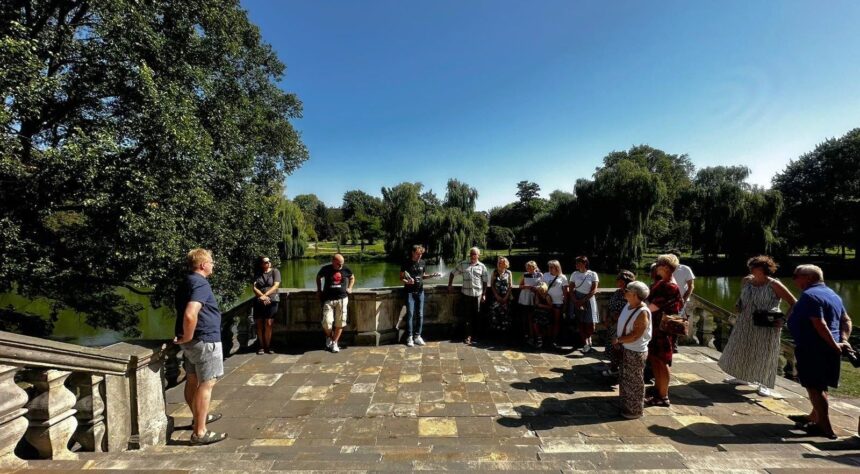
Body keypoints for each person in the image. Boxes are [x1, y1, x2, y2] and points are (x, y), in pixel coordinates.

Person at [787, 264, 852, 439]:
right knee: (819, 385)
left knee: (815, 387)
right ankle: (814, 416)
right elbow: (846, 320)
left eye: (796, 275)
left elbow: (820, 324)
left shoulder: (809, 295)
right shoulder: (833, 294)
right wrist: (842, 341)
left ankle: (825, 426)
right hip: (829, 348)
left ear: (808, 277)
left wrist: (833, 343)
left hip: (813, 348)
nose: (794, 279)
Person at [718, 256, 796, 397]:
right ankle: (742, 377)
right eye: (751, 266)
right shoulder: (747, 281)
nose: (751, 269)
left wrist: (784, 320)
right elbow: (741, 299)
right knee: (742, 349)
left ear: (764, 269)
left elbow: (794, 303)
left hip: (766, 324)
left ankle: (764, 383)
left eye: (754, 267)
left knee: (764, 353)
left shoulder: (774, 284)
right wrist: (738, 305)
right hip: (745, 322)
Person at [173, 248, 227, 445]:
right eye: (211, 262)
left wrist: (184, 336)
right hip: (205, 340)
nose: (213, 265)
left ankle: (198, 418)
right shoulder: (200, 283)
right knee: (207, 384)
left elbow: (181, 312)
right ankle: (200, 432)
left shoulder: (186, 282)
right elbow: (190, 313)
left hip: (192, 342)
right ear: (203, 265)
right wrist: (187, 335)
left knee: (192, 380)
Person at [645, 254, 683, 407]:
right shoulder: (664, 282)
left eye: (659, 264)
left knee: (662, 360)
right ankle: (657, 389)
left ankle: (663, 396)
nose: (656, 265)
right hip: (657, 327)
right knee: (655, 358)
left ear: (666, 267)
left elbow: (653, 307)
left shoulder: (668, 286)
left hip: (662, 329)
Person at [612, 281, 652, 419]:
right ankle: (626, 407)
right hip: (626, 349)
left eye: (627, 290)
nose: (625, 292)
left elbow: (636, 335)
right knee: (625, 379)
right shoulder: (629, 305)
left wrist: (619, 340)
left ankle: (634, 411)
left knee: (634, 382)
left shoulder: (642, 312)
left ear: (635, 295)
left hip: (635, 351)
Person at [448, 247, 490, 345]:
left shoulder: (482, 266)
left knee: (478, 316)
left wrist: (484, 294)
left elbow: (485, 281)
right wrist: (450, 285)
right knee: (467, 316)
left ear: (478, 255)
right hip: (466, 295)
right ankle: (468, 336)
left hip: (477, 295)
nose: (473, 256)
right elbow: (452, 273)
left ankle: (477, 335)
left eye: (475, 254)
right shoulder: (463, 264)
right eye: (471, 254)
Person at [400, 245, 440, 347]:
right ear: (413, 253)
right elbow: (401, 278)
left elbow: (423, 275)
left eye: (421, 254)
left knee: (420, 314)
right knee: (410, 315)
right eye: (418, 253)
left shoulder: (422, 262)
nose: (420, 255)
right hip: (409, 292)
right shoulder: (406, 262)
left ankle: (417, 336)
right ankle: (409, 337)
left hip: (420, 291)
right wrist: (407, 281)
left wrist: (431, 275)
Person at [316, 254, 355, 353]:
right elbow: (318, 277)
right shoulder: (326, 269)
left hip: (342, 299)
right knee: (326, 323)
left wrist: (350, 287)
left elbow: (352, 277)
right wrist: (319, 290)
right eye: (339, 264)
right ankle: (329, 336)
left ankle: (334, 342)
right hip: (328, 299)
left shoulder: (346, 269)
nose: (341, 266)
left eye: (342, 264)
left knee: (340, 322)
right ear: (333, 261)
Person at [604, 270, 636, 377]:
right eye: (618, 279)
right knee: (612, 344)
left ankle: (616, 369)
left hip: (622, 324)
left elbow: (631, 308)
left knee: (618, 346)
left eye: (621, 280)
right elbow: (609, 305)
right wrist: (607, 317)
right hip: (612, 323)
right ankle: (614, 366)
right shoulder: (617, 292)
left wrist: (617, 317)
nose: (618, 281)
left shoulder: (631, 293)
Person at [252, 256, 281, 355]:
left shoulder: (275, 272)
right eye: (265, 262)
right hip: (259, 300)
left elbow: (276, 285)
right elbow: (254, 287)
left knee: (268, 323)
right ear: (261, 264)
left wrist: (266, 295)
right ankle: (261, 346)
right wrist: (262, 296)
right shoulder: (257, 273)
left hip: (272, 299)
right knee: (259, 324)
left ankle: (268, 346)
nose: (268, 263)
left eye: (269, 261)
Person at [570, 256, 599, 354]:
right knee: (580, 322)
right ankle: (586, 343)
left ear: (584, 263)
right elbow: (571, 289)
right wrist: (575, 301)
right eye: (576, 263)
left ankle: (589, 338)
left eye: (578, 263)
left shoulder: (592, 274)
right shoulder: (574, 274)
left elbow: (594, 289)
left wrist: (583, 300)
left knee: (591, 323)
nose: (576, 264)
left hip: (589, 299)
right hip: (577, 299)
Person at [669, 249, 695, 353]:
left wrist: (683, 299)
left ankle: (674, 345)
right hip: (667, 300)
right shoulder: (666, 269)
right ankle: (669, 344)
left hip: (680, 301)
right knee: (666, 322)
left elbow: (691, 286)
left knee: (676, 323)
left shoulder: (685, 269)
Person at [543, 260, 568, 348]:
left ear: (557, 267)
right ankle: (547, 339)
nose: (550, 269)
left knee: (556, 322)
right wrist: (545, 296)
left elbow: (565, 292)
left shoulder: (563, 277)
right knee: (548, 321)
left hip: (558, 303)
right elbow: (542, 287)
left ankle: (554, 339)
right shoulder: (545, 275)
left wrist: (565, 304)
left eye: (552, 267)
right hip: (547, 302)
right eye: (549, 267)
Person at [517, 261, 543, 344]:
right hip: (525, 297)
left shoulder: (540, 275)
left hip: (535, 297)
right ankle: (527, 335)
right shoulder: (525, 274)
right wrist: (525, 286)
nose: (528, 269)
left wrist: (536, 288)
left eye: (530, 267)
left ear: (534, 267)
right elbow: (519, 286)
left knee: (533, 318)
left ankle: (535, 336)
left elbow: (543, 285)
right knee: (526, 317)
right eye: (527, 267)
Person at [489, 256, 513, 335]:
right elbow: (492, 285)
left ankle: (504, 333)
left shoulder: (508, 272)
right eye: (499, 263)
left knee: (505, 314)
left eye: (501, 263)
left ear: (505, 264)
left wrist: (506, 297)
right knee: (495, 314)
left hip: (506, 296)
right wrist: (496, 295)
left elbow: (510, 285)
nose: (499, 264)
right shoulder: (494, 272)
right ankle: (496, 333)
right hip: (496, 297)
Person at [530, 282, 553, 348]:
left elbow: (550, 307)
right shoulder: (538, 294)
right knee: (535, 322)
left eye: (542, 290)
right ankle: (539, 338)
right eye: (539, 290)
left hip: (546, 313)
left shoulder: (547, 296)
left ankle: (547, 340)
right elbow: (536, 303)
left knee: (546, 325)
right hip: (539, 312)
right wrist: (537, 295)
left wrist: (542, 305)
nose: (541, 291)